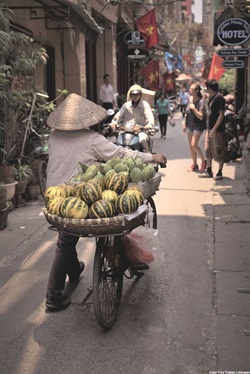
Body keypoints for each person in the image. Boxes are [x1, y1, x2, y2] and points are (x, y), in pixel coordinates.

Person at [45, 93, 166, 311]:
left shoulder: (54, 136)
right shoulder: (91, 139)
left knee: (68, 232)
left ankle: (74, 271)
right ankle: (52, 296)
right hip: (76, 194)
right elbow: (120, 155)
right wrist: (152, 157)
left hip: (53, 195)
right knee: (67, 239)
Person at [111, 84, 155, 152]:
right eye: (133, 95)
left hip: (140, 131)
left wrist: (149, 125)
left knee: (142, 140)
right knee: (115, 142)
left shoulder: (145, 105)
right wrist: (113, 123)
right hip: (125, 131)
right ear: (130, 95)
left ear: (140, 95)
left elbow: (150, 117)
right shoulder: (126, 105)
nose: (135, 96)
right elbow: (118, 116)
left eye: (137, 94)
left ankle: (148, 155)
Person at [199, 79, 227, 180]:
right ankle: (209, 169)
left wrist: (215, 128)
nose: (205, 89)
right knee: (208, 150)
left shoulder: (219, 98)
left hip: (217, 130)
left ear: (210, 88)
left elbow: (221, 114)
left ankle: (219, 171)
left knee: (219, 150)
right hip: (209, 129)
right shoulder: (209, 98)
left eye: (206, 87)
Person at [182, 82, 207, 172]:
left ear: (197, 91)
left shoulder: (201, 101)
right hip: (189, 124)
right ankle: (195, 164)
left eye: (192, 89)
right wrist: (184, 123)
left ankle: (204, 161)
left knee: (194, 144)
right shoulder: (190, 99)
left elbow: (201, 116)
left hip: (198, 125)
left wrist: (193, 108)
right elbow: (187, 112)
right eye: (190, 88)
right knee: (191, 146)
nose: (190, 90)